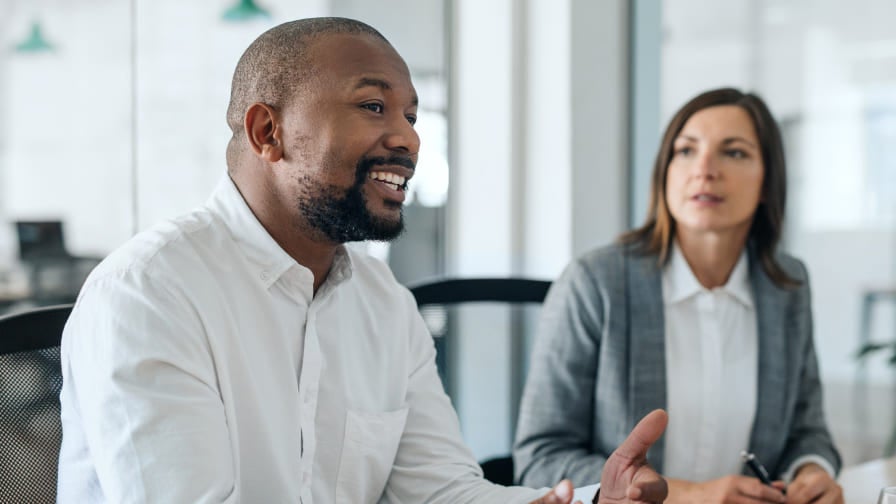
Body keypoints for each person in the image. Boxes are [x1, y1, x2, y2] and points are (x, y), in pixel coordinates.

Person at [56, 17, 668, 504]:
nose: (408, 139)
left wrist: (588, 502)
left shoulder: (384, 303)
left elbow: (439, 492)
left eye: (411, 115)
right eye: (373, 107)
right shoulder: (149, 292)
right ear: (268, 131)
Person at [513, 88, 844, 504]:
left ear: (767, 181)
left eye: (734, 152)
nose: (704, 169)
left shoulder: (787, 285)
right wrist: (691, 495)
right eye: (686, 151)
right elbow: (540, 456)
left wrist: (811, 471)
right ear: (665, 172)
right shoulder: (594, 282)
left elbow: (807, 428)